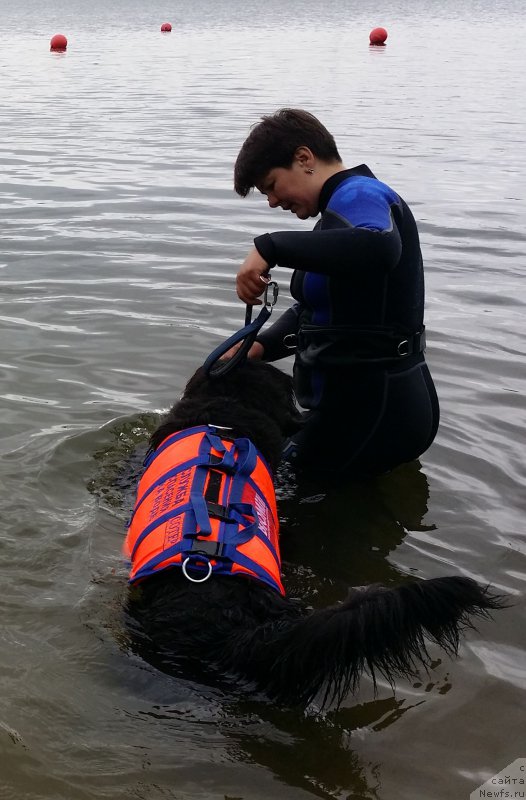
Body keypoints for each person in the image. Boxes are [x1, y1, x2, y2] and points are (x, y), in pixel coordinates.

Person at [233, 108, 439, 478]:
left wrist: (270, 247)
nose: (272, 202)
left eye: (271, 185)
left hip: (378, 407)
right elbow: (317, 311)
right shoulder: (334, 223)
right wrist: (258, 348)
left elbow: (379, 247)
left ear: (304, 158)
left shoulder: (360, 195)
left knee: (285, 501)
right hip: (363, 405)